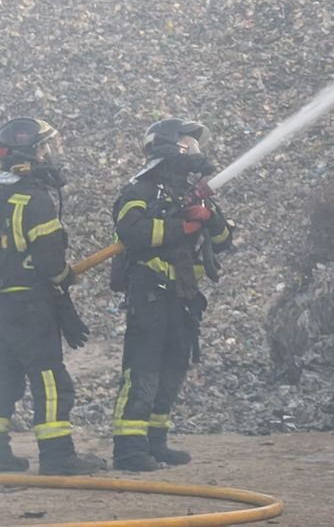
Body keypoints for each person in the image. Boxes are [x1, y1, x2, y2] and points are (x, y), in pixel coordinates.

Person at [0, 117, 102, 475]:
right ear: (29, 154)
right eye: (44, 148)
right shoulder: (34, 199)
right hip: (32, 307)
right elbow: (50, 263)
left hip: (0, 306)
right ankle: (58, 456)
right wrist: (67, 278)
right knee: (49, 380)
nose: (49, 155)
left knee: (1, 378)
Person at [109, 117, 233, 471]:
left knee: (172, 368)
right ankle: (129, 449)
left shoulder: (193, 192)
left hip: (183, 298)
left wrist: (210, 219)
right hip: (150, 294)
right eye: (186, 142)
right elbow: (131, 231)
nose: (194, 149)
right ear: (167, 144)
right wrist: (182, 225)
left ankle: (155, 441)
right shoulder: (141, 190)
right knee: (143, 369)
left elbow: (223, 244)